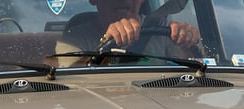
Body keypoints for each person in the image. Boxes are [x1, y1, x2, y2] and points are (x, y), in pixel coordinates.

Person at [55, 0, 201, 67]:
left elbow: (191, 77)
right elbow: (75, 84)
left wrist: (186, 42)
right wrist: (105, 41)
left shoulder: (163, 29)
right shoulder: (74, 38)